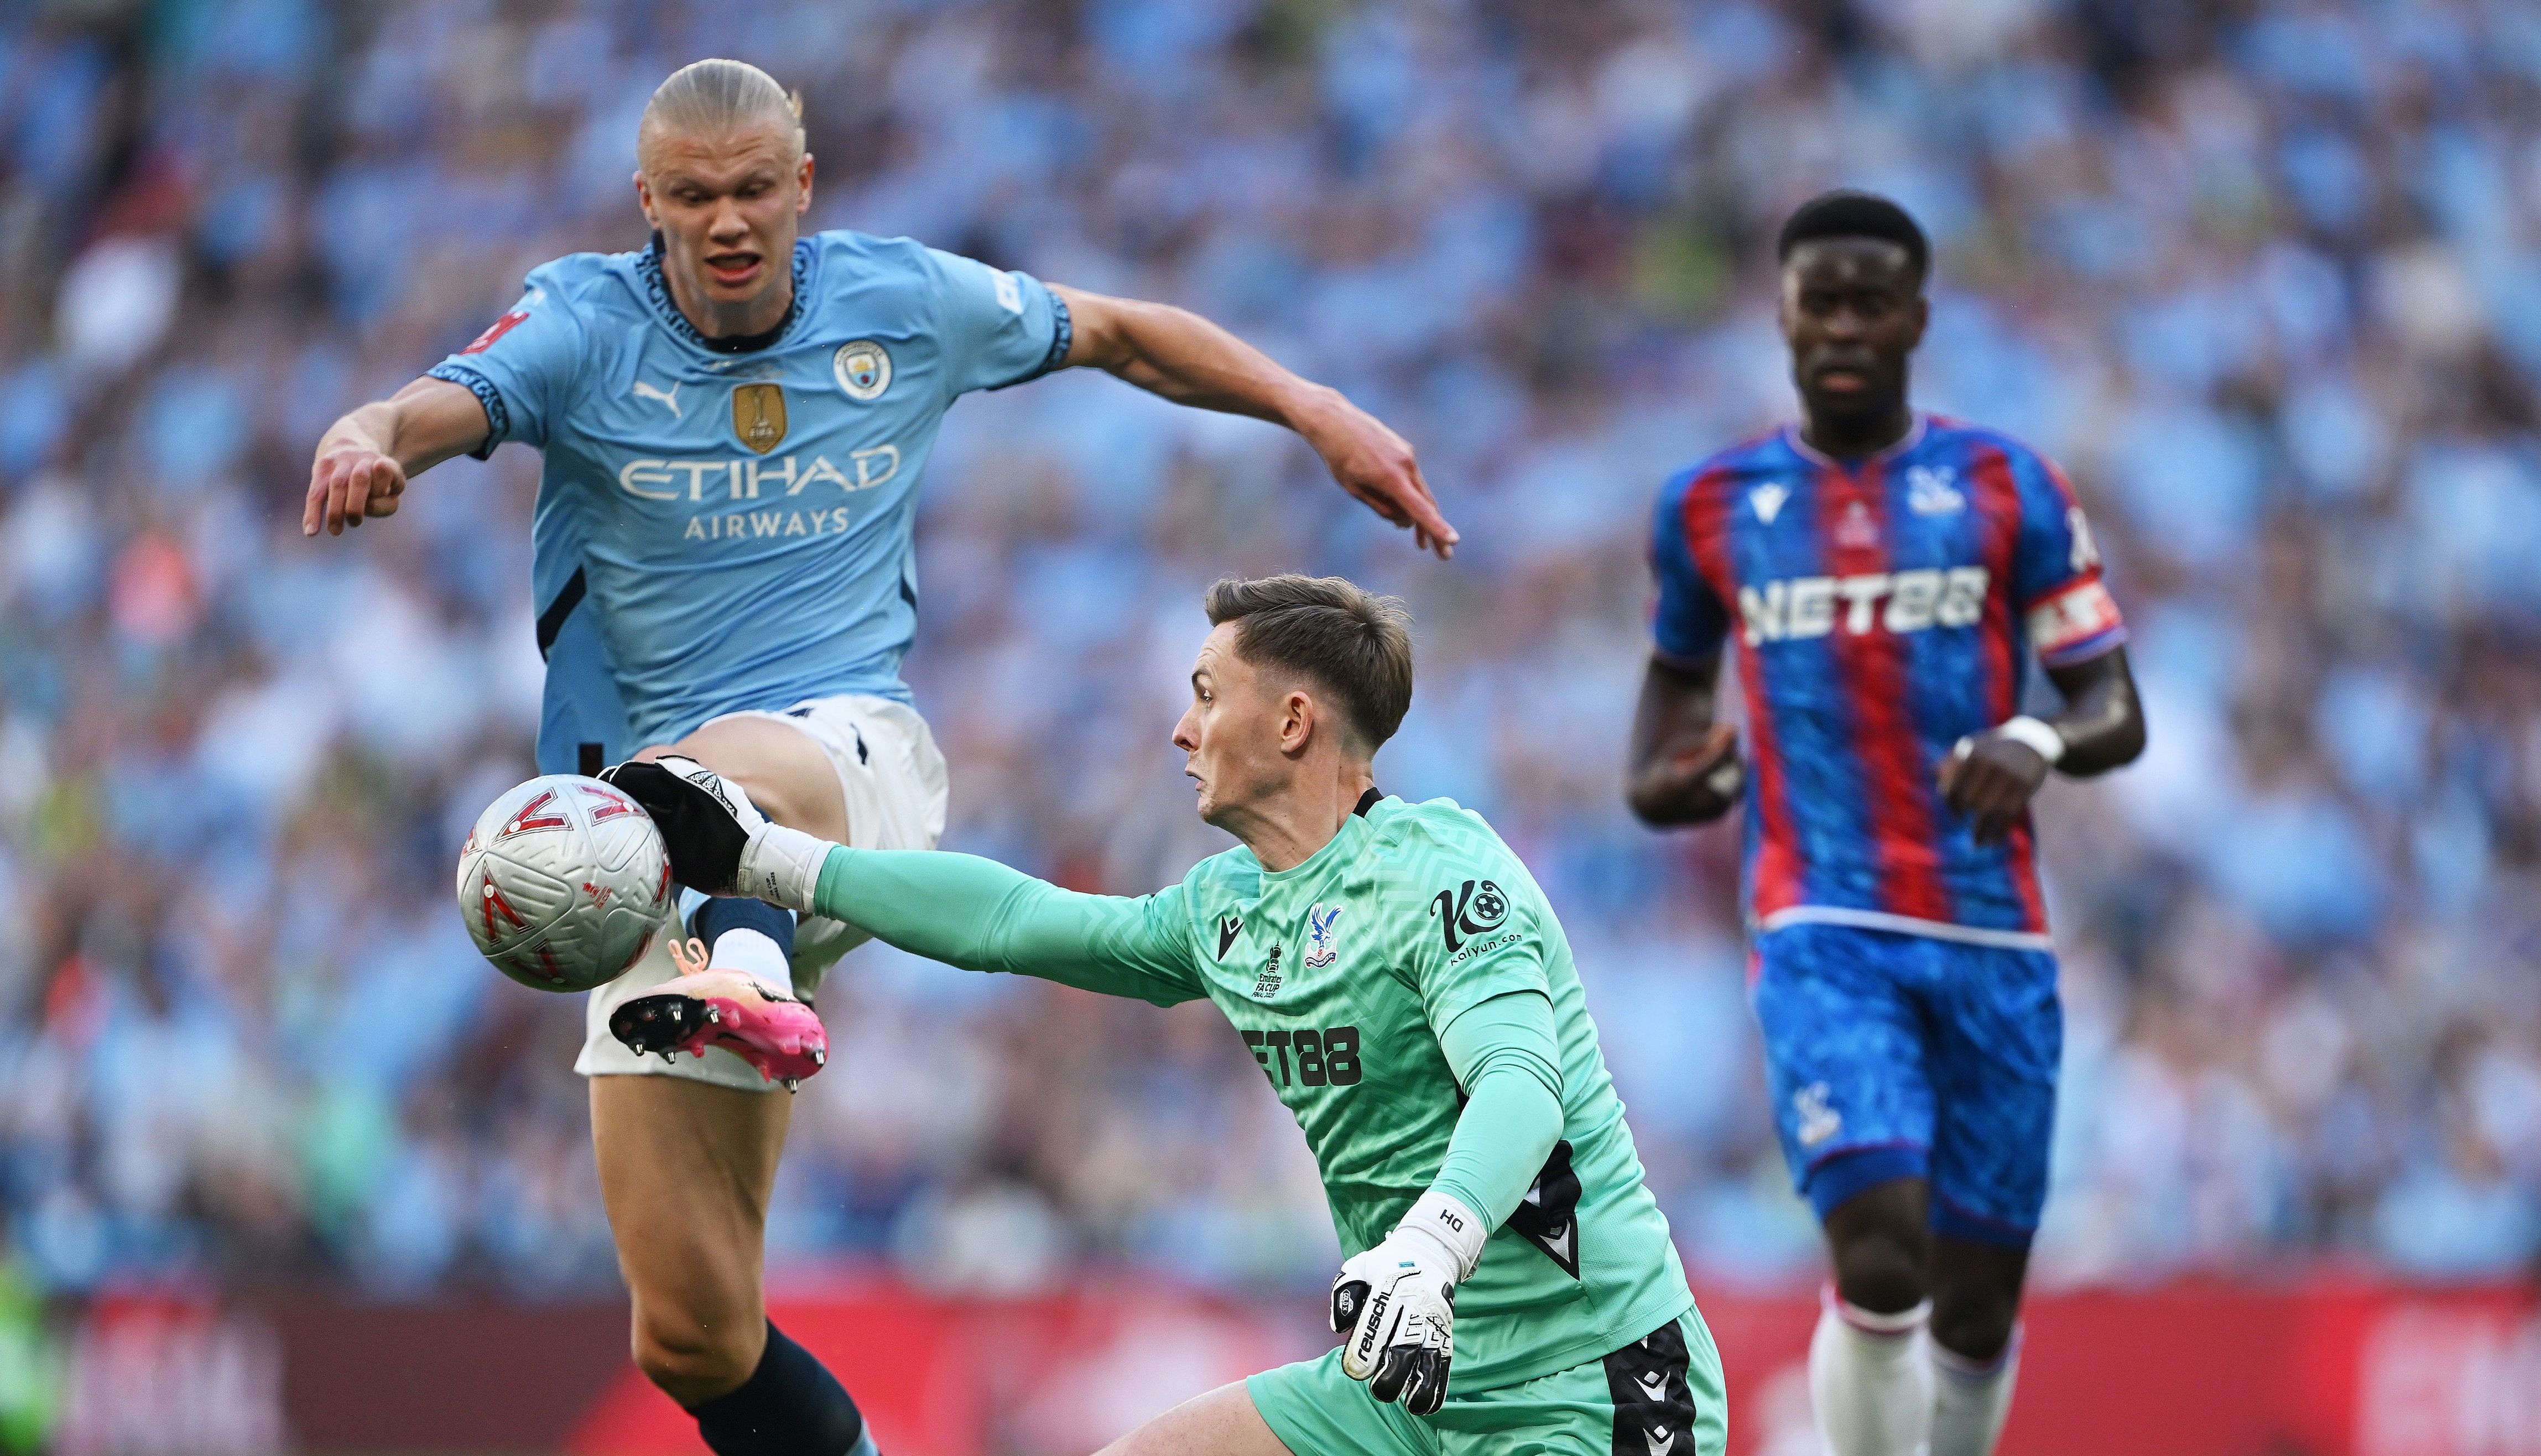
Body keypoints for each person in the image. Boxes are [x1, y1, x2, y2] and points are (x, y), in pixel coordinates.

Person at [301, 60, 1455, 1456]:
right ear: (647, 204)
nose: (729, 223)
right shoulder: (581, 326)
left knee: (708, 767)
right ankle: (745, 985)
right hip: (647, 857)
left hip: (847, 761)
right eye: (695, 198)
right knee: (692, 1332)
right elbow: (434, 407)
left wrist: (1310, 408)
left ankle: (754, 971)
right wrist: (366, 438)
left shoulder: (902, 301)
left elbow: (1117, 335)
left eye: (753, 192)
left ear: (803, 186)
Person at [606, 573, 1729, 1456]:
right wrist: (772, 858)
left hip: (1594, 1387)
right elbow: (1015, 922)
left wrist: (1430, 1251)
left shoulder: (1443, 871)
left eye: (1204, 693)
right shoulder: (1224, 909)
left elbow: (1520, 1085)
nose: (1181, 732)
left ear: (1292, 721)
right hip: (1405, 1382)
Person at [1624, 192, 2147, 1456]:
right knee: (1878, 1242)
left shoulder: (2004, 486)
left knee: (1975, 1303)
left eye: (1871, 303)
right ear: (1785, 315)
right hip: (1821, 925)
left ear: (1917, 317)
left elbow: (2111, 706)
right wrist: (1671, 783)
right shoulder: (1709, 507)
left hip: (1991, 937)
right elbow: (1659, 730)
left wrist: (2036, 739)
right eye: (1822, 303)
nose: (1844, 326)